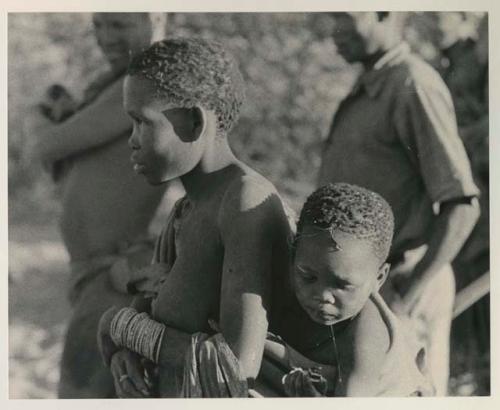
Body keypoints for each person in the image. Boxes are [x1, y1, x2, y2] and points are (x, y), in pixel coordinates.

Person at [97, 38, 292, 398]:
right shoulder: (184, 212)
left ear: (193, 121)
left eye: (142, 122)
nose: (132, 140)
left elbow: (233, 365)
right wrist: (124, 354)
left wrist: (117, 326)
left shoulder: (244, 202)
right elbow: (149, 314)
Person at [317, 12, 480, 395]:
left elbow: (461, 204)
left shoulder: (413, 84)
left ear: (386, 13)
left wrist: (407, 298)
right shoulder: (370, 85)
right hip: (363, 290)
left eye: (345, 17)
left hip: (402, 284)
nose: (335, 30)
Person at [29, 13, 171, 398]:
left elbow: (47, 148)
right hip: (94, 275)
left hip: (115, 275)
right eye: (98, 25)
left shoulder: (147, 80)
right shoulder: (110, 84)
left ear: (156, 18)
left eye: (119, 24)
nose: (106, 37)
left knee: (83, 390)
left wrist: (44, 122)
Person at [255, 183, 433, 397]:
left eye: (342, 285)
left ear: (379, 278)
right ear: (293, 257)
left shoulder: (367, 335)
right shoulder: (279, 291)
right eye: (308, 277)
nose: (322, 296)